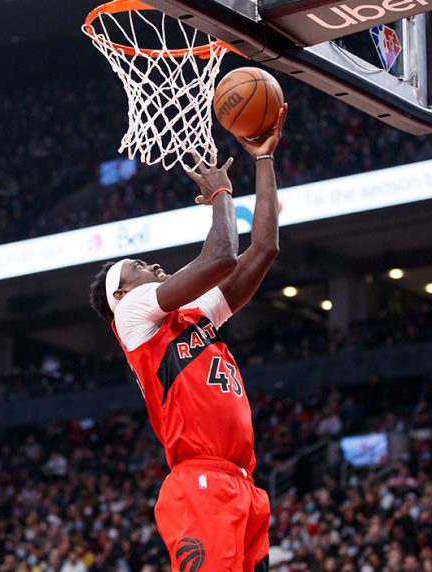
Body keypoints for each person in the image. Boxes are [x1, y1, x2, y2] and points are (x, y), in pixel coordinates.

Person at [88, 104, 287, 572]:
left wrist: (263, 159)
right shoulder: (132, 316)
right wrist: (220, 194)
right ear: (120, 293)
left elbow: (264, 249)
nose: (154, 267)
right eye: (140, 267)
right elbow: (220, 257)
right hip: (201, 482)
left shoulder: (195, 316)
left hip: (243, 484)